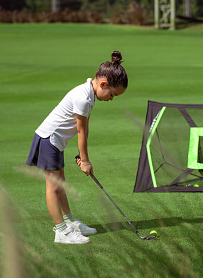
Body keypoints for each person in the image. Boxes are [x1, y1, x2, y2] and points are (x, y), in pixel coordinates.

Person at [26, 51, 128, 244]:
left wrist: (82, 157)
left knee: (60, 184)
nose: (111, 99)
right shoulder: (83, 97)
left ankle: (70, 223)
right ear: (103, 84)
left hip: (55, 143)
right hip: (49, 140)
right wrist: (86, 161)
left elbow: (84, 129)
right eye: (113, 94)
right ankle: (61, 231)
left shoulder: (90, 95)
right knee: (53, 186)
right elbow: (80, 132)